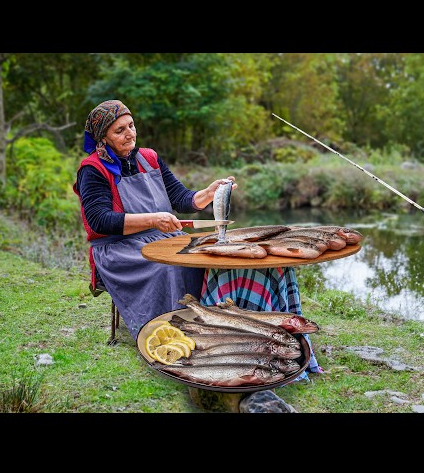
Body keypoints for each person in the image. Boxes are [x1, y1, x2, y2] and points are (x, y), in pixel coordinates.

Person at [73, 99, 322, 380]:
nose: (130, 133)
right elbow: (99, 221)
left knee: (210, 255)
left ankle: (232, 330)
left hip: (163, 236)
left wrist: (208, 193)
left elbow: (180, 198)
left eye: (131, 125)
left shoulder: (149, 158)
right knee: (171, 267)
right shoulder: (92, 169)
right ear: (103, 138)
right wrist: (153, 220)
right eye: (120, 130)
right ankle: (177, 337)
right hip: (120, 249)